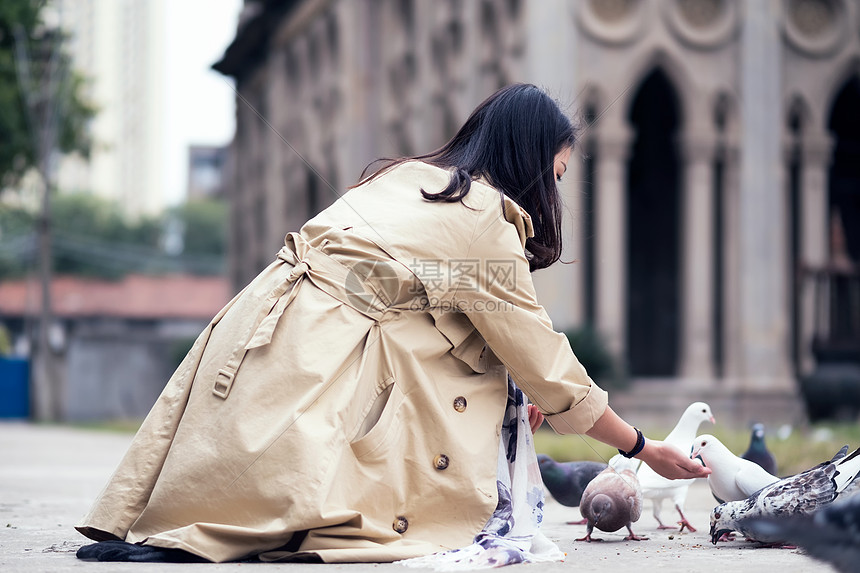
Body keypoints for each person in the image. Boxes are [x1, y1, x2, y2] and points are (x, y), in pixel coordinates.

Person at [74, 83, 709, 565]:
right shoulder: (482, 217)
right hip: (322, 348)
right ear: (533, 164)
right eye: (559, 175)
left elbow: (422, 304)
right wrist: (639, 447)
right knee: (485, 371)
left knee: (474, 357)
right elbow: (548, 362)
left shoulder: (407, 179)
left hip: (250, 330)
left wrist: (510, 379)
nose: (557, 196)